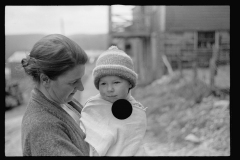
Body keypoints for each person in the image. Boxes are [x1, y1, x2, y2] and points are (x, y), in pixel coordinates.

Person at [21, 34, 90, 156]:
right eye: (73, 82)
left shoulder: (65, 102)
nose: (81, 87)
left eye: (80, 79)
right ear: (45, 80)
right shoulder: (43, 130)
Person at [79, 46, 148, 156]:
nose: (109, 89)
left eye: (116, 82)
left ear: (130, 83)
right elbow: (86, 141)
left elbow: (134, 143)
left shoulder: (136, 110)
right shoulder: (93, 108)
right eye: (103, 83)